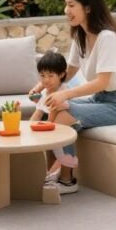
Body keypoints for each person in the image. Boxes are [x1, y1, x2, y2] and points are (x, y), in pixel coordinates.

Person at [32, 0, 116, 195]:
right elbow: (67, 72)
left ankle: (66, 179)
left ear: (87, 7)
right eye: (66, 5)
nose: (66, 10)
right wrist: (41, 87)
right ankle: (50, 173)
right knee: (51, 108)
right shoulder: (80, 35)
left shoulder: (107, 37)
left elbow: (102, 82)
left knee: (63, 110)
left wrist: (65, 95)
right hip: (99, 100)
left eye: (71, 5)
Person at [28, 51, 80, 184]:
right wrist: (27, 128)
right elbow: (38, 112)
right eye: (42, 76)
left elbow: (53, 116)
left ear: (62, 74)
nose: (45, 80)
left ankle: (56, 172)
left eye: (51, 76)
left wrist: (43, 129)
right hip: (54, 125)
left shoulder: (63, 91)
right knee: (47, 142)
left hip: (70, 125)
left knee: (57, 144)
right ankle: (50, 172)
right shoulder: (45, 91)